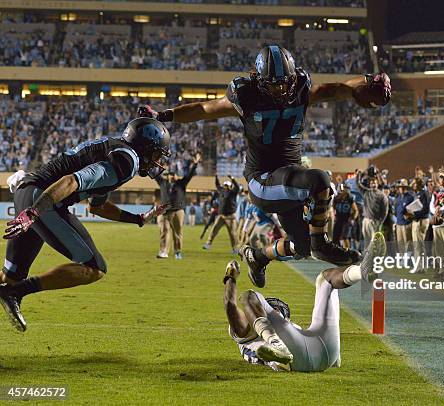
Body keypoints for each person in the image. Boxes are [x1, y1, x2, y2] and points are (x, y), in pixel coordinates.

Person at [138, 45, 390, 287]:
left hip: (290, 179)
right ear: (259, 80)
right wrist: (163, 115)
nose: (281, 88)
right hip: (263, 180)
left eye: (285, 82)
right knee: (321, 181)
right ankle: (321, 244)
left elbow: (338, 88)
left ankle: (259, 257)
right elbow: (205, 108)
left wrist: (368, 82)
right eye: (274, 83)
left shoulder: (301, 89)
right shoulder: (247, 97)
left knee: (301, 247)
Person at [0, 118, 170, 332]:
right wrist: (34, 213)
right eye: (156, 154)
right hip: (42, 200)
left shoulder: (115, 151)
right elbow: (72, 181)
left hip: (29, 192)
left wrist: (137, 219)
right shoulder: (127, 161)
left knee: (10, 277)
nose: (157, 162)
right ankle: (15, 293)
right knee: (94, 267)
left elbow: (97, 207)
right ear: (145, 147)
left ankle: (13, 289)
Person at [222, 232, 386, 371]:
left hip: (323, 352)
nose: (277, 311)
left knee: (325, 280)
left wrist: (231, 277)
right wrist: (231, 279)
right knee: (248, 297)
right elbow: (230, 306)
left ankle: (362, 271)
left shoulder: (280, 327)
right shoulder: (247, 333)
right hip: (298, 357)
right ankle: (276, 345)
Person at [156, 153, 201, 259]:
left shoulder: (181, 183)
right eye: (171, 174)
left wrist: (195, 164)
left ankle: (177, 252)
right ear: (168, 176)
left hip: (177, 211)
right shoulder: (163, 183)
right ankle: (163, 252)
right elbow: (156, 175)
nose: (172, 176)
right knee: (164, 231)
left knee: (177, 233)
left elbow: (189, 175)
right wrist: (157, 164)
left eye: (174, 174)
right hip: (164, 211)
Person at [203, 175, 240, 252]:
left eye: (227, 185)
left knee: (232, 233)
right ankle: (208, 244)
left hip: (230, 216)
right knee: (214, 230)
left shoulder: (233, 192)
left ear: (230, 186)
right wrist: (216, 177)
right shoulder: (221, 191)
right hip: (221, 215)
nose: (225, 187)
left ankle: (235, 248)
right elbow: (217, 185)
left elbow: (237, 187)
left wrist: (232, 179)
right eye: (225, 185)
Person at [356, 169, 389, 247]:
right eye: (371, 183)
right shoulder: (366, 192)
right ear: (369, 185)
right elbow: (358, 184)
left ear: (377, 184)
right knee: (366, 242)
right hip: (366, 220)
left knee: (374, 243)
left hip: (375, 221)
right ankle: (367, 257)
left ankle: (375, 258)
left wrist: (380, 222)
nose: (373, 184)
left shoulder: (382, 195)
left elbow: (385, 211)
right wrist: (358, 175)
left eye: (375, 183)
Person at [331, 183, 358, 249]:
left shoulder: (350, 198)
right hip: (338, 219)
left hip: (346, 220)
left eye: (346, 189)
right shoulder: (336, 198)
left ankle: (347, 252)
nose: (344, 190)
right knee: (335, 237)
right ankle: (335, 252)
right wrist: (334, 216)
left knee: (344, 237)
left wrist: (352, 218)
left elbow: (356, 210)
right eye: (343, 189)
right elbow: (332, 208)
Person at [393, 178, 414, 254]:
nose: (400, 188)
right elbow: (395, 211)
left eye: (402, 187)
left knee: (408, 243)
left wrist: (409, 216)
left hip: (407, 224)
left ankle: (408, 260)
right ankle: (402, 260)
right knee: (400, 243)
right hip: (399, 223)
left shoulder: (410, 198)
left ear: (406, 187)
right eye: (399, 187)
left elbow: (413, 211)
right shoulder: (398, 198)